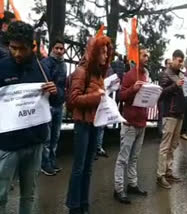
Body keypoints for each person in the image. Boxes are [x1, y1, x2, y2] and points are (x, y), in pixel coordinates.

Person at [0, 21, 60, 214]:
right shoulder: (2, 67)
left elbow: (58, 99)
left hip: (35, 143)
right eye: (13, 48)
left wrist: (55, 92)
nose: (17, 53)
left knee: (29, 195)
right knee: (0, 194)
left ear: (32, 47)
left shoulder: (42, 68)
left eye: (22, 49)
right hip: (7, 144)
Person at [66, 35, 113, 214]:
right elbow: (73, 99)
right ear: (94, 52)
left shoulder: (99, 72)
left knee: (88, 167)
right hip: (83, 125)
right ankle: (74, 206)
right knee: (79, 167)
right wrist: (97, 97)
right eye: (102, 52)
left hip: (95, 123)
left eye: (107, 53)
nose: (105, 56)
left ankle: (84, 204)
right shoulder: (82, 71)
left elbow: (99, 96)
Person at [113, 49, 150, 204]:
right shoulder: (129, 75)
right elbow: (120, 96)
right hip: (129, 123)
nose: (147, 58)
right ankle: (119, 189)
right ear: (137, 56)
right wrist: (132, 89)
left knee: (134, 157)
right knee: (123, 158)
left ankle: (132, 184)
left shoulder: (145, 75)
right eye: (144, 55)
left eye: (148, 56)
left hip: (141, 122)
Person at [156, 50, 185, 189]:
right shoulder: (165, 74)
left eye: (182, 61)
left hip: (179, 114)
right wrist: (175, 85)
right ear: (173, 59)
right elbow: (160, 93)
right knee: (165, 146)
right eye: (179, 60)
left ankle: (168, 172)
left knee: (173, 146)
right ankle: (160, 175)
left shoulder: (180, 74)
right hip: (170, 113)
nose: (181, 63)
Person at [41, 38, 67, 176]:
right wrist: (56, 90)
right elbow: (46, 82)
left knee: (55, 136)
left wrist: (62, 95)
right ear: (52, 49)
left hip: (59, 104)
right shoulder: (46, 63)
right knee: (47, 137)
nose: (59, 51)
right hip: (48, 104)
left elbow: (63, 85)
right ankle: (45, 163)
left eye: (61, 49)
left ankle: (52, 160)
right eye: (56, 48)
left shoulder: (63, 65)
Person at [157, 58, 172, 137]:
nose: (170, 65)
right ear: (166, 65)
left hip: (168, 99)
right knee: (162, 116)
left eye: (171, 63)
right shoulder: (163, 74)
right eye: (169, 63)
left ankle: (165, 133)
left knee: (167, 116)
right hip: (162, 98)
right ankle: (161, 133)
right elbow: (164, 86)